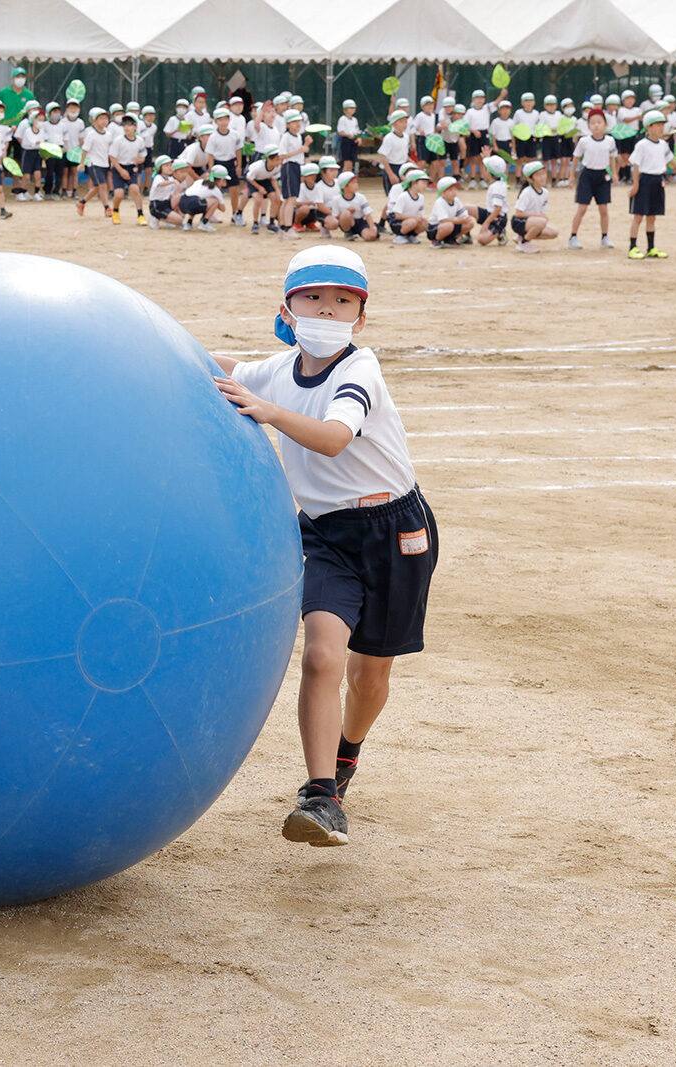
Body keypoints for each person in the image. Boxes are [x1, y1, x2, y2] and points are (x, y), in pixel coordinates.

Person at [212, 246, 436, 848]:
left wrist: (267, 412)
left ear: (359, 317)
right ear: (287, 305)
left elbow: (335, 437)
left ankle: (346, 758)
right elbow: (226, 366)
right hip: (325, 534)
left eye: (343, 301)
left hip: (396, 531)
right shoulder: (277, 370)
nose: (326, 309)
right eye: (313, 297)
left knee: (368, 676)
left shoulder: (359, 370)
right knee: (320, 656)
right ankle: (321, 797)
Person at [627, 110, 676, 258]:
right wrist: (635, 185)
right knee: (638, 216)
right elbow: (635, 166)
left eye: (662, 125)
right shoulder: (642, 145)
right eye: (657, 125)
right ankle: (633, 247)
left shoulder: (663, 144)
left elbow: (670, 159)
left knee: (652, 217)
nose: (661, 129)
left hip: (658, 181)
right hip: (645, 181)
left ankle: (651, 247)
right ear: (648, 127)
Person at [568, 109, 618, 249]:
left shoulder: (610, 140)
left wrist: (614, 173)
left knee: (603, 209)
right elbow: (576, 158)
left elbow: (612, 158)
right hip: (587, 176)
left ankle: (605, 237)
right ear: (588, 125)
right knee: (582, 208)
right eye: (592, 123)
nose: (596, 125)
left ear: (605, 124)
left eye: (599, 122)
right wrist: (572, 175)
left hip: (603, 176)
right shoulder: (584, 141)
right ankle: (573, 237)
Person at [512, 160, 557, 252]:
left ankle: (522, 237)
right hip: (519, 222)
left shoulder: (545, 192)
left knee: (554, 233)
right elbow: (518, 213)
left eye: (543, 173)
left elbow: (540, 210)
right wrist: (538, 217)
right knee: (542, 222)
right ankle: (524, 243)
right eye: (538, 175)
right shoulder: (527, 192)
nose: (543, 177)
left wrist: (540, 217)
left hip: (531, 222)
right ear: (530, 179)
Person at [108, 114, 145, 225]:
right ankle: (115, 212)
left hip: (132, 168)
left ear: (135, 127)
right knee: (119, 194)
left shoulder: (140, 140)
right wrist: (121, 171)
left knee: (135, 190)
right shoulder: (118, 140)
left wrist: (139, 160)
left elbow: (143, 157)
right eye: (124, 125)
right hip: (119, 168)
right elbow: (112, 158)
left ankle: (140, 215)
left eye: (129, 124)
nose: (126, 127)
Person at [244, 144, 284, 234]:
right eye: (277, 159)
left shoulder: (277, 167)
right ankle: (255, 223)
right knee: (258, 199)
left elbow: (273, 179)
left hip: (265, 179)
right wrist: (259, 187)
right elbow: (249, 177)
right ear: (268, 159)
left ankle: (271, 223)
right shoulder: (258, 167)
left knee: (275, 199)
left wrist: (277, 191)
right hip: (253, 179)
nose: (279, 162)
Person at [425, 176, 473, 246]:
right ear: (442, 193)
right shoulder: (440, 202)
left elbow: (462, 213)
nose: (454, 192)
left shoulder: (456, 200)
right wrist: (460, 221)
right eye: (450, 190)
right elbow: (444, 220)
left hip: (450, 225)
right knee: (448, 225)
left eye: (455, 189)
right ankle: (436, 240)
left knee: (470, 222)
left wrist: (466, 218)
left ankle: (450, 239)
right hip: (435, 228)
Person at [332, 172, 379, 242]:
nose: (357, 185)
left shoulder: (361, 197)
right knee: (345, 213)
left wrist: (371, 228)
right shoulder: (336, 199)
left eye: (356, 182)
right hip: (348, 223)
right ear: (345, 186)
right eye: (353, 183)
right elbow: (335, 216)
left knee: (370, 237)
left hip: (361, 222)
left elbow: (368, 214)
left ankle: (372, 230)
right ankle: (348, 232)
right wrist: (346, 212)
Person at [474, 154, 510, 246]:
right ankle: (465, 236)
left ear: (489, 172)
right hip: (490, 214)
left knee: (482, 240)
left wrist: (486, 223)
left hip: (497, 218)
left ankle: (500, 231)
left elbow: (498, 209)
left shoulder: (497, 187)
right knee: (465, 209)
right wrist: (486, 156)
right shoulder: (498, 180)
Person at [386, 172, 428, 243]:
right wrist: (414, 217)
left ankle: (411, 235)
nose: (425, 186)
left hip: (411, 220)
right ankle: (400, 236)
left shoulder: (421, 197)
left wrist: (421, 217)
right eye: (423, 183)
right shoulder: (403, 196)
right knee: (413, 221)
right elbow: (397, 215)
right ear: (414, 182)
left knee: (425, 222)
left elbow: (420, 213)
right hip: (398, 222)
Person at [377, 110, 410, 194]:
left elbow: (404, 155)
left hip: (403, 168)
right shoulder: (389, 138)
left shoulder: (406, 137)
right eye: (401, 122)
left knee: (403, 195)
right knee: (392, 197)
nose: (404, 124)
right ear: (393, 124)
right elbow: (383, 156)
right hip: (391, 167)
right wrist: (391, 174)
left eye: (405, 122)